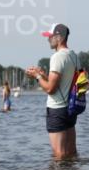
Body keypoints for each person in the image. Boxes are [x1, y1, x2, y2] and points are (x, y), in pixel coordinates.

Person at [25, 23, 79, 160]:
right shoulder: (73, 55)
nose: (48, 39)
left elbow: (50, 89)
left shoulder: (57, 57)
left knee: (59, 154)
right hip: (71, 108)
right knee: (71, 152)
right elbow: (63, 83)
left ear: (59, 37)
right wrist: (43, 75)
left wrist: (36, 77)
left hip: (57, 109)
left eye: (50, 36)